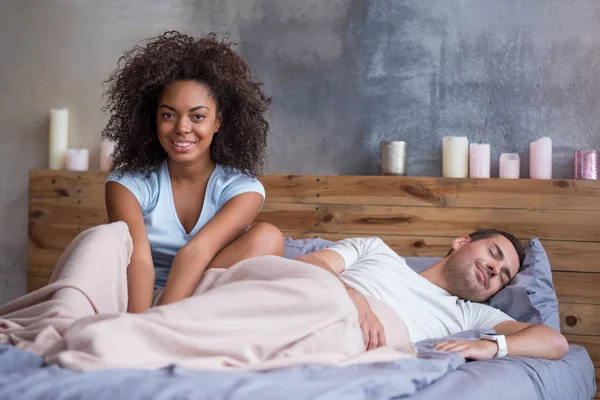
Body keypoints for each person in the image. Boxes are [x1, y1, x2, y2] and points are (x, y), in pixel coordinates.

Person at [102, 31, 284, 313]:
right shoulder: (126, 184)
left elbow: (195, 253)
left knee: (268, 237)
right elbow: (137, 262)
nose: (182, 128)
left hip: (206, 300)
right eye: (168, 115)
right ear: (153, 119)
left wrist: (166, 321)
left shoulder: (243, 189)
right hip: (138, 301)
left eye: (198, 116)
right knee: (96, 241)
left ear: (218, 122)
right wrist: (140, 325)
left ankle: (183, 325)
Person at [295, 229, 570, 361]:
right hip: (307, 306)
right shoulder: (375, 250)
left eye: (504, 275)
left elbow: (555, 342)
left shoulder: (471, 315)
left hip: (339, 345)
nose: (495, 268)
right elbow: (309, 264)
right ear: (461, 242)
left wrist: (492, 346)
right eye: (492, 254)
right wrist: (355, 299)